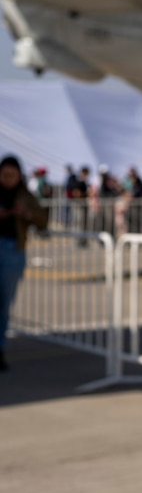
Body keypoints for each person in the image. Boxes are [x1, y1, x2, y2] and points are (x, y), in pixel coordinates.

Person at [0, 154, 49, 371]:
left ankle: (0, 349)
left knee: (4, 305)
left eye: (12, 175)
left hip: (13, 252)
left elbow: (42, 219)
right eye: (5, 174)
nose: (8, 178)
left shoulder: (25, 195)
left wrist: (25, 212)